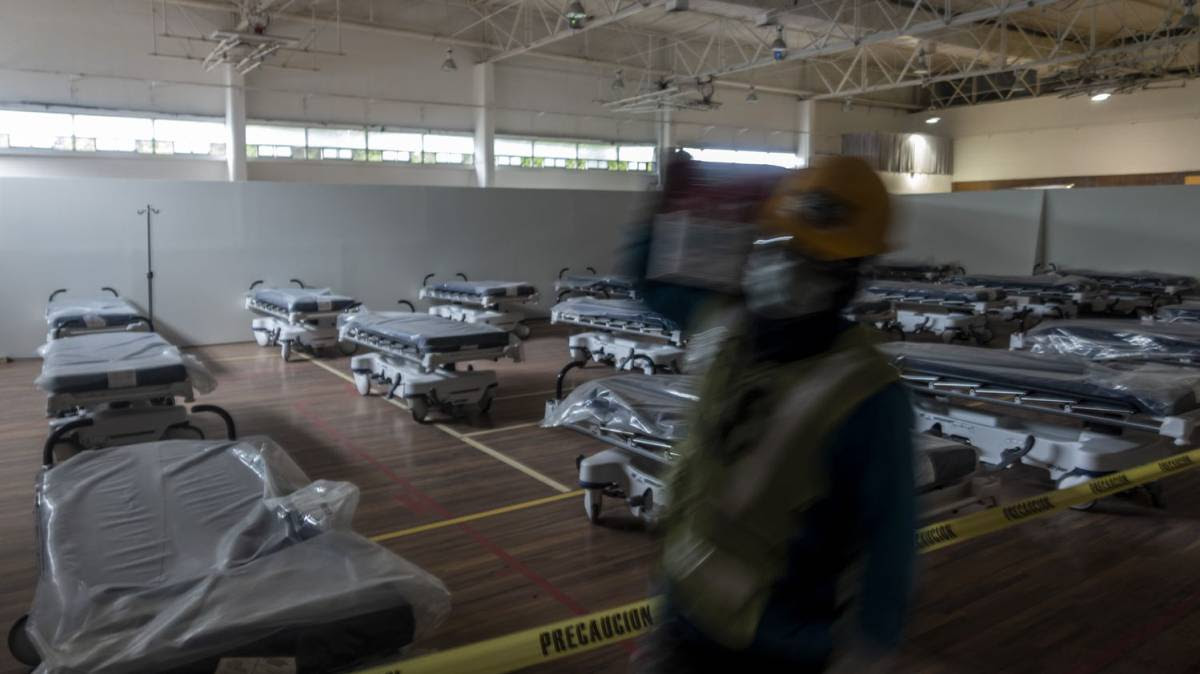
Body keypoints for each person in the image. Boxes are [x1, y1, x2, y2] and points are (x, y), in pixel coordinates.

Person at [633, 155, 916, 673]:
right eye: (778, 246)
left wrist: (867, 650)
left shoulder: (868, 396)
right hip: (680, 618)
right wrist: (666, 209)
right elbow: (650, 285)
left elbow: (890, 540)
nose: (784, 266)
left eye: (812, 259)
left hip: (777, 651)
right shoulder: (730, 328)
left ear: (847, 278)